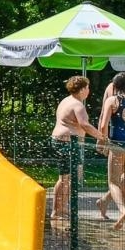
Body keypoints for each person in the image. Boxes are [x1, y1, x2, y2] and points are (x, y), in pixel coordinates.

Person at [50, 75, 105, 226]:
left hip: (65, 142)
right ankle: (57, 211)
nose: (89, 90)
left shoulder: (67, 100)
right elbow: (85, 125)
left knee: (68, 177)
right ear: (81, 89)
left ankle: (62, 209)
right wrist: (101, 136)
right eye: (87, 87)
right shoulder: (77, 105)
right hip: (67, 143)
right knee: (66, 178)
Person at [96, 72, 125, 231]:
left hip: (118, 144)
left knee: (114, 181)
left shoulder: (112, 100)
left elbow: (103, 125)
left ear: (114, 86)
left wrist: (103, 142)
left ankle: (122, 211)